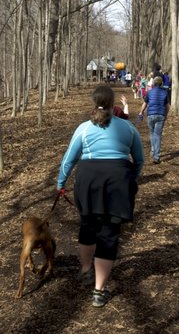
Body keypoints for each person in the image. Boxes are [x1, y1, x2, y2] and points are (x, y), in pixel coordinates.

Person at [57, 85, 144, 308]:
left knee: (88, 224)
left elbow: (69, 159)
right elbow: (139, 159)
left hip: (89, 181)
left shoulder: (84, 128)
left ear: (93, 102)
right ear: (113, 101)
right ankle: (99, 290)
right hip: (118, 181)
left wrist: (60, 183)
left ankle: (86, 269)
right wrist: (130, 178)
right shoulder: (128, 127)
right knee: (109, 233)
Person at [138, 76, 170, 164]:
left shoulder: (149, 92)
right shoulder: (165, 93)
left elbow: (145, 104)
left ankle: (153, 151)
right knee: (157, 135)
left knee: (152, 134)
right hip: (161, 115)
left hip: (150, 115)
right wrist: (166, 115)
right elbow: (167, 107)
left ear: (153, 83)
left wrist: (141, 112)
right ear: (161, 83)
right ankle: (156, 156)